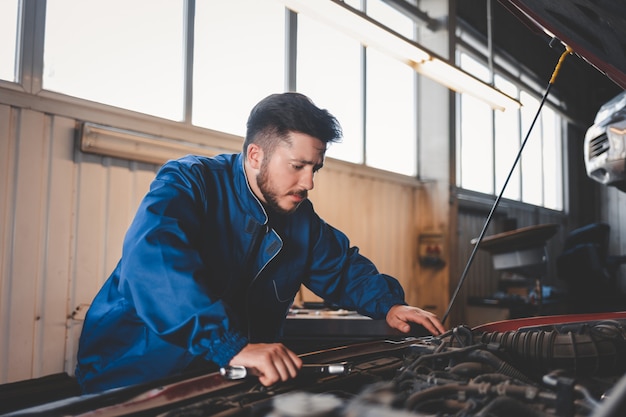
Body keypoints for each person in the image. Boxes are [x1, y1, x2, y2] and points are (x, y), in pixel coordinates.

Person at [75, 92, 445, 394]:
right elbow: (155, 263)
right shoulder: (190, 183)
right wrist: (228, 345)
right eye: (297, 166)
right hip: (134, 375)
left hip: (223, 378)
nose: (309, 182)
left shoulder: (299, 217)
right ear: (256, 155)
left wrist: (390, 305)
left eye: (314, 168)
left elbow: (342, 268)